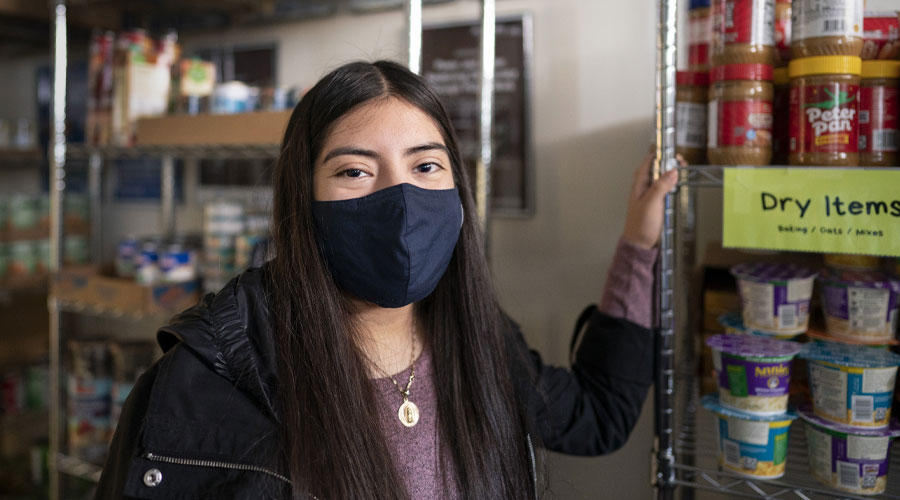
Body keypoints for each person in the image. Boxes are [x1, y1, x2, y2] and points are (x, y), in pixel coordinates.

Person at [94, 60, 678, 500]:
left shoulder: (479, 341)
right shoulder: (205, 383)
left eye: (426, 166)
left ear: (456, 193)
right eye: (354, 171)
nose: (398, 199)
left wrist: (638, 242)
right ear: (303, 198)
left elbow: (599, 415)